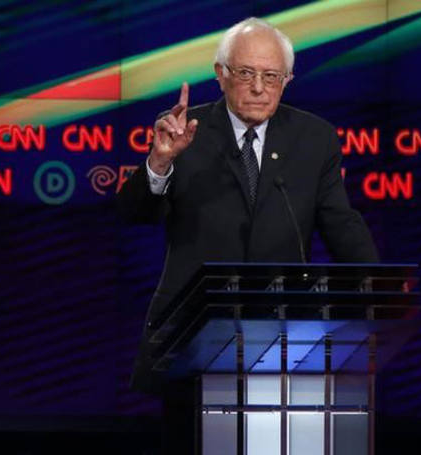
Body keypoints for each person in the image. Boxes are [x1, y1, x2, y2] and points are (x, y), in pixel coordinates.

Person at [117, 17, 379, 450]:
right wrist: (160, 163)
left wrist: (377, 287)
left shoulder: (314, 138)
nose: (259, 88)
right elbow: (134, 214)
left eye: (271, 76)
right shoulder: (183, 132)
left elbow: (341, 223)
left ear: (287, 80)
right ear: (220, 74)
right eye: (246, 73)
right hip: (194, 338)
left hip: (283, 341)